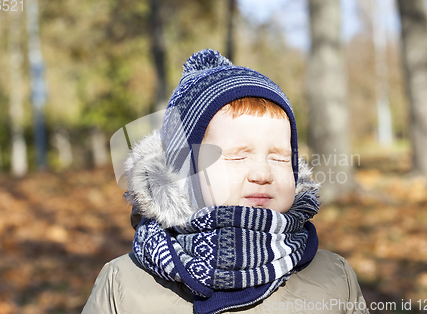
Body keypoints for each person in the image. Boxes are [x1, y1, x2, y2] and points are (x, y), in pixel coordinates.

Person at [82, 49, 368, 314]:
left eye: (280, 158)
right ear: (185, 173)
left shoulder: (332, 277)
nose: (262, 173)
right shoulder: (124, 285)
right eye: (237, 157)